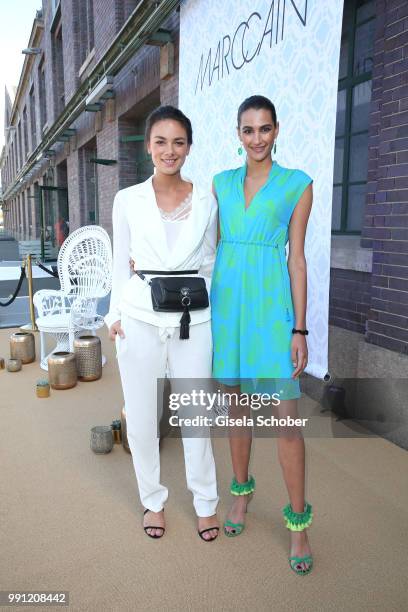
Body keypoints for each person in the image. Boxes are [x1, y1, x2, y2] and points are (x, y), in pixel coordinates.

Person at [105, 106, 219, 542]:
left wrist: (209, 309)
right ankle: (153, 500)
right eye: (160, 141)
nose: (169, 150)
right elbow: (120, 266)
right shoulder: (127, 199)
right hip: (138, 318)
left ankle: (205, 503)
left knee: (196, 414)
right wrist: (114, 315)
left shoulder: (207, 201)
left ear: (189, 146)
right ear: (148, 145)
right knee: (141, 416)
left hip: (195, 319)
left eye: (178, 142)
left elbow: (209, 262)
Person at [211, 95, 314, 573]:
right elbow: (202, 242)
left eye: (265, 129)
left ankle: (298, 523)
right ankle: (241, 495)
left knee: (287, 424)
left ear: (277, 131)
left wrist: (299, 327)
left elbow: (297, 259)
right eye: (248, 130)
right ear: (238, 134)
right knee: (238, 413)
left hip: (272, 313)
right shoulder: (220, 184)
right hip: (229, 311)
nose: (257, 138)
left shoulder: (297, 185)